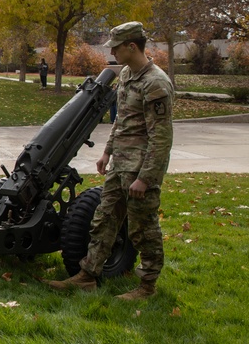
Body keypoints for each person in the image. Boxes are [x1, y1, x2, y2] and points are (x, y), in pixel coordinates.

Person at [47, 22, 174, 300]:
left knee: (143, 229)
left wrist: (146, 177)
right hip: (120, 167)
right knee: (103, 220)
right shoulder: (128, 74)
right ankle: (88, 275)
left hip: (140, 170)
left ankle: (148, 286)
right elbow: (121, 121)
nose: (112, 51)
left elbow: (161, 138)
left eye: (115, 46)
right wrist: (107, 151)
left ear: (131, 46)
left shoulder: (156, 83)